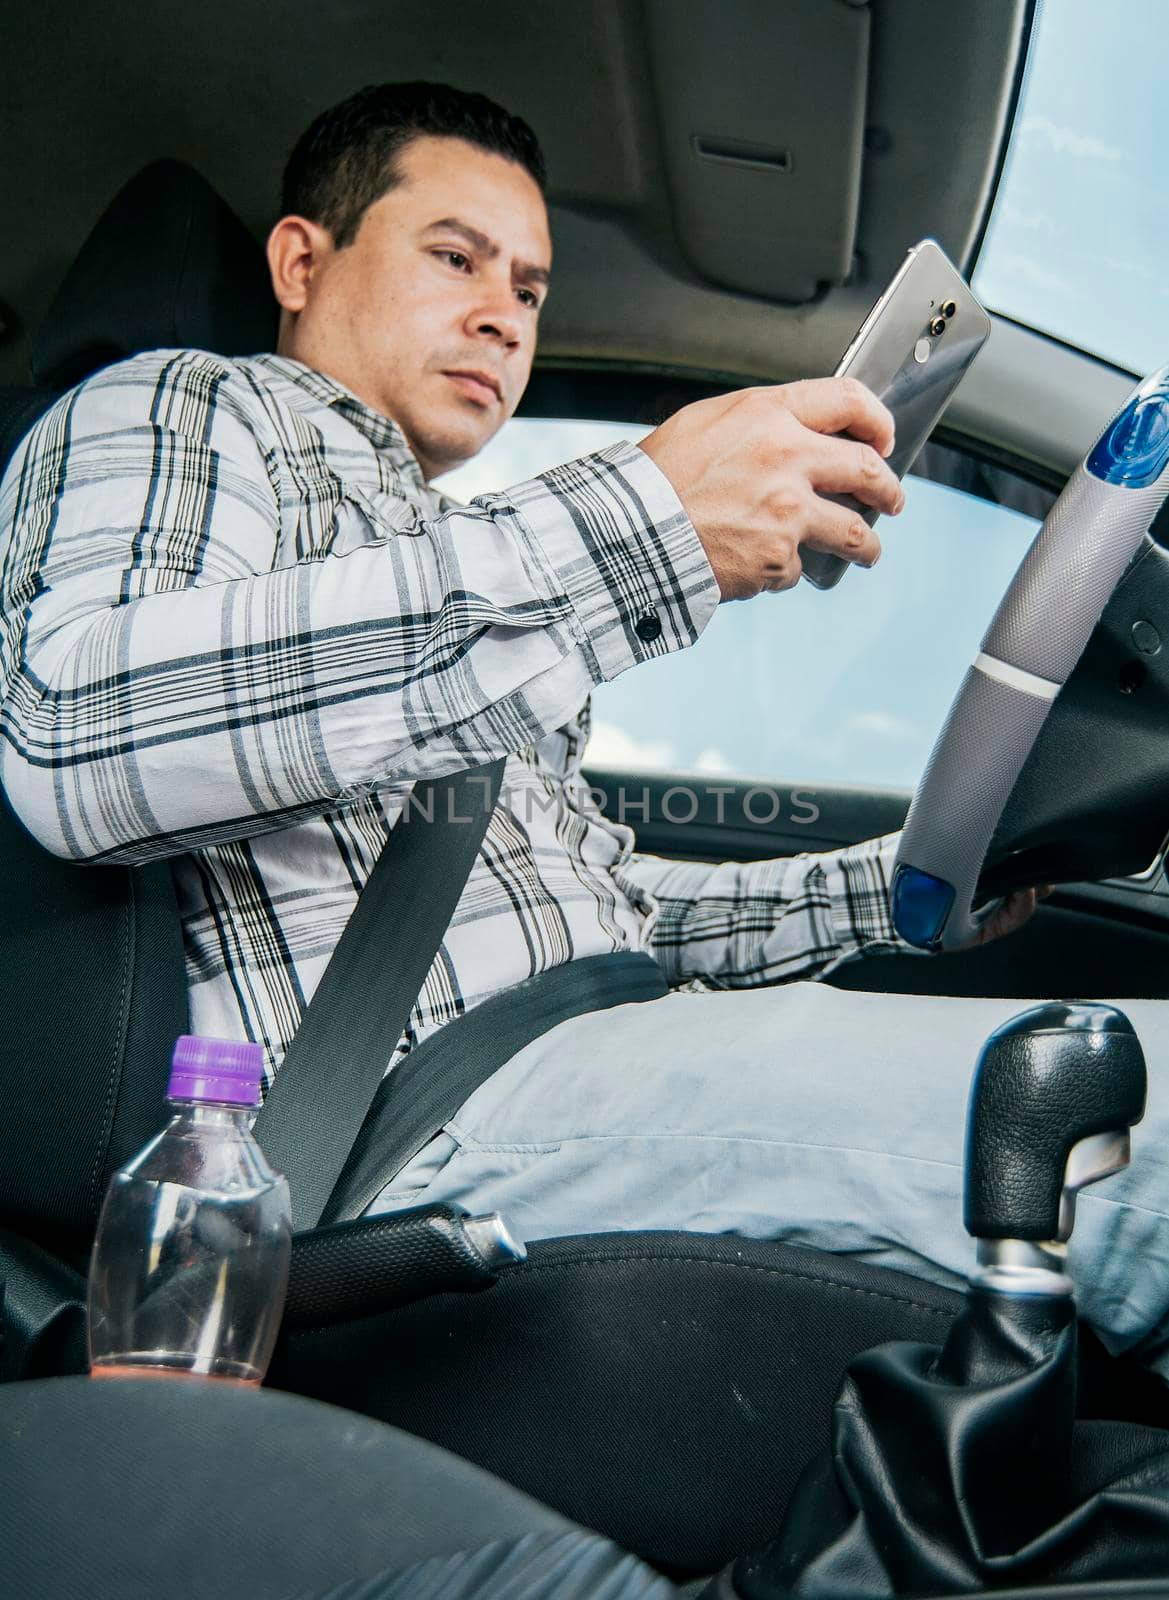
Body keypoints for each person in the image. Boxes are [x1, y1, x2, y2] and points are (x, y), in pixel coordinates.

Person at [2, 82, 1166, 1373]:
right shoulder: (186, 405)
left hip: (595, 1052)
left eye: (532, 287)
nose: (505, 313)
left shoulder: (452, 565)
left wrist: (886, 887)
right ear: (298, 260)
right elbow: (78, 732)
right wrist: (648, 516)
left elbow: (608, 918)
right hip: (411, 1122)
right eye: (455, 257)